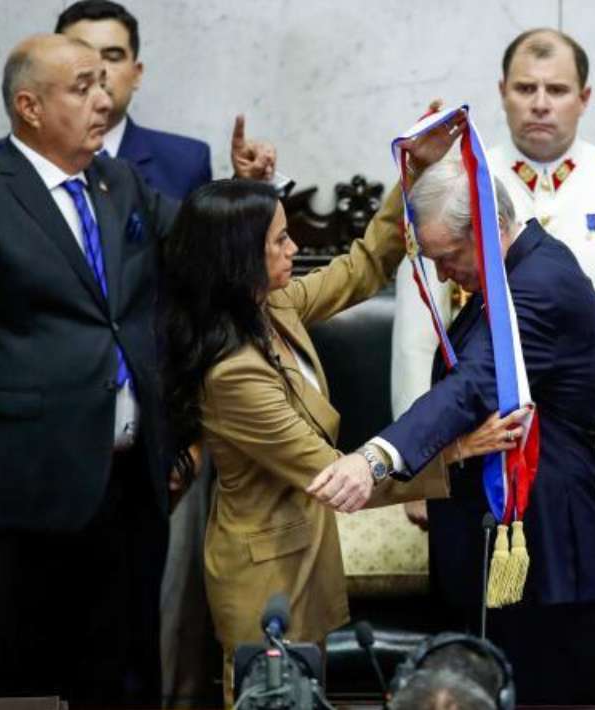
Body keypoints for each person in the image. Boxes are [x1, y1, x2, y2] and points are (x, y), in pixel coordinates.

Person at [0, 33, 270, 704]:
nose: (103, 100)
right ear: (29, 106)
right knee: (9, 676)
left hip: (126, 485)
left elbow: (197, 243)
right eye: (82, 87)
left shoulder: (119, 181)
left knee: (117, 672)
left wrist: (246, 194)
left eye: (104, 84)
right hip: (20, 489)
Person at [156, 118, 509, 707]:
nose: (294, 249)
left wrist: (414, 170)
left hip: (302, 558)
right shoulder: (233, 373)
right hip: (264, 580)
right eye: (279, 241)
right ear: (238, 258)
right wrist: (453, 451)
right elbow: (335, 478)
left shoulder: (272, 307)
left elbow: (365, 264)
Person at [391, 28, 595, 683]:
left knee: (583, 636)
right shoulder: (463, 178)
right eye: (525, 89)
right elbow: (422, 326)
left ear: (584, 98)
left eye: (556, 90)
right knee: (480, 635)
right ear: (501, 94)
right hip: (475, 452)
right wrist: (420, 474)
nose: (539, 103)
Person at [312, 155, 595, 704]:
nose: (445, 274)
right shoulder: (512, 275)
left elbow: (472, 385)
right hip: (499, 546)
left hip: (542, 556)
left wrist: (376, 457)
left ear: (489, 226)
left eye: (448, 258)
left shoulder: (540, 285)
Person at [0, 0, 216, 200]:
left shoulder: (184, 161)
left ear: (136, 74)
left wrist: (244, 190)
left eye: (112, 57)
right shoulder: (6, 159)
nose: (98, 71)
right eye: (80, 55)